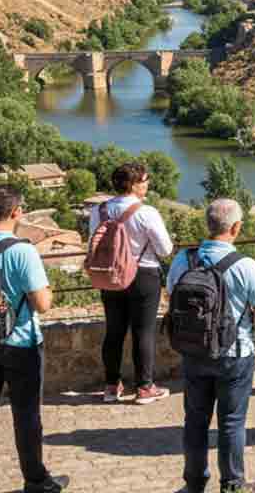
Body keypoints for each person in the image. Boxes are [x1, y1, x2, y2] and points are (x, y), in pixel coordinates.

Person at [0, 185, 67, 493]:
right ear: (17, 212)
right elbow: (42, 304)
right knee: (27, 414)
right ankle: (35, 480)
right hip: (20, 344)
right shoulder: (22, 250)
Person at [173, 198, 255, 493]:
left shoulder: (184, 260)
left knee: (195, 420)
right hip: (234, 353)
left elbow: (171, 297)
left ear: (208, 224)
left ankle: (193, 484)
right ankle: (232, 485)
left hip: (193, 351)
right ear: (236, 227)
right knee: (231, 422)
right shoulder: (245, 265)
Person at [87, 161, 176, 405]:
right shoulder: (147, 212)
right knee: (143, 332)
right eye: (145, 181)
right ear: (134, 184)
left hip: (109, 276)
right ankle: (144, 388)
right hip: (143, 275)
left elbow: (92, 243)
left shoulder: (99, 211)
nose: (148, 185)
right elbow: (165, 249)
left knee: (114, 331)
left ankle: (111, 386)